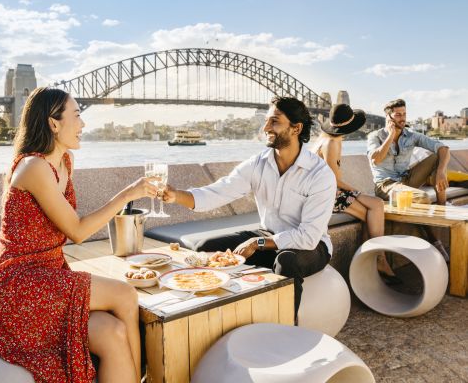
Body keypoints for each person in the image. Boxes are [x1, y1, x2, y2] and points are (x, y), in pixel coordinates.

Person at [0, 87, 158, 383]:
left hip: (45, 275)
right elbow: (77, 231)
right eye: (76, 116)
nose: (83, 124)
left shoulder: (63, 162)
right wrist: (128, 193)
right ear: (53, 123)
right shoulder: (33, 166)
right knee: (125, 295)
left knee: (113, 332)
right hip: (15, 287)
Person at [163, 96, 336, 321]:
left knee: (287, 261)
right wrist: (176, 195)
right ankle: (208, 322)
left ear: (296, 128)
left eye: (274, 121)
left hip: (311, 247)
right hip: (269, 238)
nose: (265, 128)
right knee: (205, 247)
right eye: (266, 121)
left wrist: (258, 243)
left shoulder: (319, 174)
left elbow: (308, 237)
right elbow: (217, 192)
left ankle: (285, 332)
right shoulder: (258, 164)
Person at [312, 104, 399, 284]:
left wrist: (355, 193)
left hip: (326, 192)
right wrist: (356, 192)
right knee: (374, 207)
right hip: (325, 195)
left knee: (375, 206)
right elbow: (333, 180)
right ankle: (378, 260)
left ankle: (371, 261)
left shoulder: (325, 139)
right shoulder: (332, 143)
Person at [367, 98, 450, 205]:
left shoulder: (411, 136)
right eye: (398, 115)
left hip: (406, 180)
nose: (402, 119)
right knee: (422, 197)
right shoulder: (375, 136)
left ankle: (443, 208)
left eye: (404, 114)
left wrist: (441, 172)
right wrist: (391, 135)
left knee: (437, 157)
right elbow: (375, 159)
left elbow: (443, 149)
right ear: (388, 117)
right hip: (385, 186)